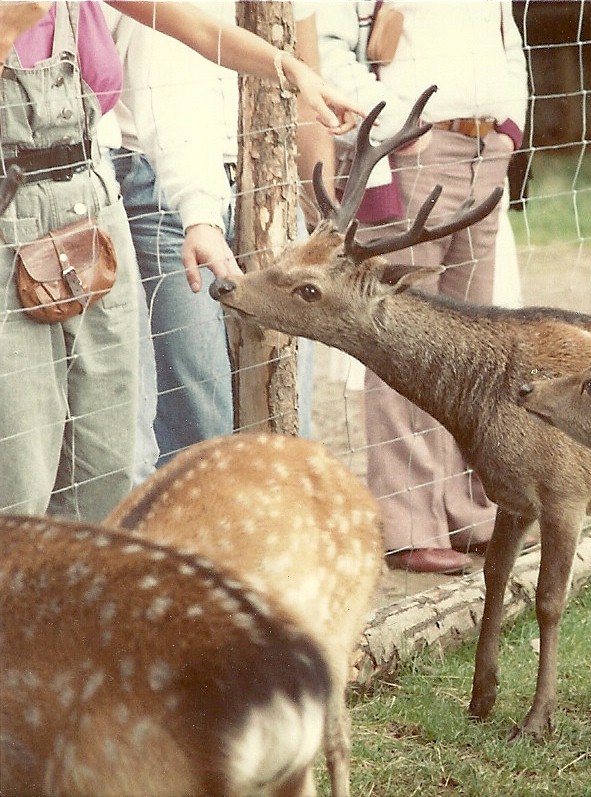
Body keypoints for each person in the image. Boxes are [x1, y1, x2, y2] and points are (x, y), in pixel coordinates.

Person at [0, 0, 360, 521]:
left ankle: (87, 596)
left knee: (110, 458)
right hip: (11, 218)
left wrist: (290, 68)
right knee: (20, 463)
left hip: (95, 215)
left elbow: (194, 30)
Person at [312, 0, 528, 574]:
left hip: (485, 150)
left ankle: (467, 508)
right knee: (405, 335)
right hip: (414, 154)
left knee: (473, 340)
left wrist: (509, 124)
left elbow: (504, 35)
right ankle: (410, 524)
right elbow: (326, 46)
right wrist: (395, 126)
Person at [105, 3, 329, 478]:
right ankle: (194, 548)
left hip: (269, 178)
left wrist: (323, 200)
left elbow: (307, 76)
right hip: (159, 179)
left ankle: (268, 545)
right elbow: (173, 66)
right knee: (198, 419)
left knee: (287, 406)